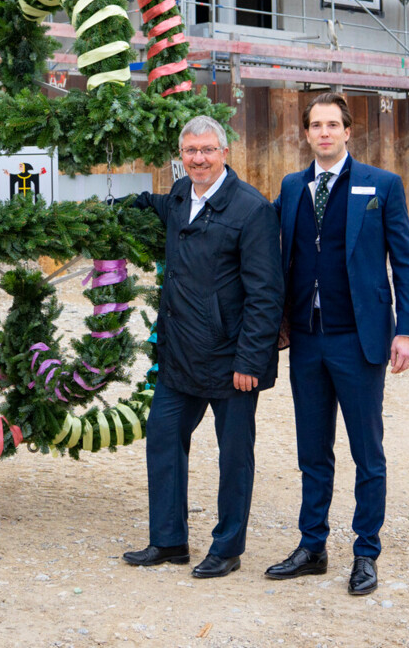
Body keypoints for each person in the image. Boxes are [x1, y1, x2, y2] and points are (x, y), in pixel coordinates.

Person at [265, 91, 409, 596]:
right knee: (313, 450)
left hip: (359, 340)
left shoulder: (382, 185)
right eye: (316, 125)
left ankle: (365, 552)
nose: (325, 133)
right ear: (306, 133)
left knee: (366, 451)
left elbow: (405, 261)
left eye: (334, 124)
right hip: (307, 341)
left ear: (349, 132)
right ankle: (312, 546)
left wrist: (407, 329)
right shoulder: (292, 188)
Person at [123, 115, 284, 578]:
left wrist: (251, 359)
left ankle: (227, 547)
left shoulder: (251, 210)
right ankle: (169, 540)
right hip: (180, 357)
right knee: (164, 438)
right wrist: (117, 203)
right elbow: (154, 204)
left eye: (207, 150)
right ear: (182, 156)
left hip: (232, 361)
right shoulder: (179, 197)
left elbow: (266, 294)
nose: (199, 159)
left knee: (234, 455)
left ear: (224, 153)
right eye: (190, 151)